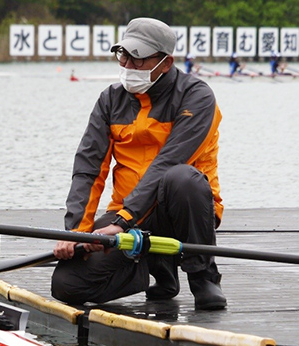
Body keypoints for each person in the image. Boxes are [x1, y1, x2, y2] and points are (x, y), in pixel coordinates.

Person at [51, 17, 227, 311]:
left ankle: (203, 276)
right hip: (127, 216)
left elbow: (168, 162)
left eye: (138, 59)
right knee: (66, 285)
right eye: (124, 56)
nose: (128, 66)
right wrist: (76, 234)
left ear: (166, 63)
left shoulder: (197, 96)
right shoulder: (110, 100)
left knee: (181, 178)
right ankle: (155, 269)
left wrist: (122, 222)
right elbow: (88, 169)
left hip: (183, 210)